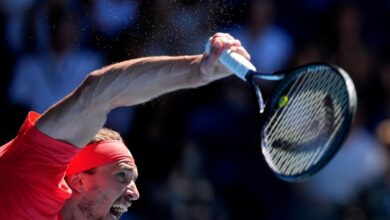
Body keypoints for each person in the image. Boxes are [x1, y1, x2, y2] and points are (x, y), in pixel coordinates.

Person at [0, 33, 250, 220]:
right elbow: (97, 93)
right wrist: (197, 70)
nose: (135, 193)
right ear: (78, 181)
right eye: (122, 175)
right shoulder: (31, 177)